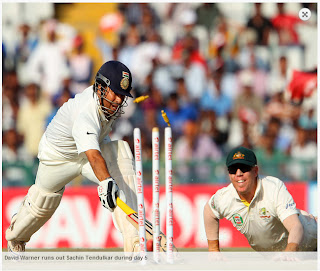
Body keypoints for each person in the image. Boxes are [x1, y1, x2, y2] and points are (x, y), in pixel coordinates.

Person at [6, 60, 141, 253]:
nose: (119, 100)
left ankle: (134, 241)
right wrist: (106, 182)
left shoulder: (106, 105)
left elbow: (95, 150)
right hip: (58, 158)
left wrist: (111, 182)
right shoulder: (86, 112)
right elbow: (94, 156)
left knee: (121, 155)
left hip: (88, 153)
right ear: (101, 88)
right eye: (116, 94)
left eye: (123, 95)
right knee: (44, 202)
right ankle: (15, 237)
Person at [203, 146, 317, 252]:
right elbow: (209, 211)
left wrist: (289, 254)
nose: (238, 173)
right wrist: (214, 251)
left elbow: (295, 226)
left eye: (244, 168)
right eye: (233, 169)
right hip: (276, 254)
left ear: (255, 171)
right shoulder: (224, 197)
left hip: (312, 240)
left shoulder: (273, 188)